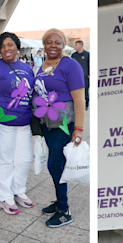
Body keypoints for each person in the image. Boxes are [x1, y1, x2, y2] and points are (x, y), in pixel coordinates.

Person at [0, 32, 36, 214]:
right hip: (1, 124)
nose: (6, 49)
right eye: (2, 46)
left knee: (24, 159)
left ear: (17, 47)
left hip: (24, 123)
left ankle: (19, 191)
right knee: (5, 161)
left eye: (10, 45)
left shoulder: (26, 68)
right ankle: (5, 197)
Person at [33, 29, 85, 228]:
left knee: (55, 164)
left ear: (64, 45)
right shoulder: (44, 64)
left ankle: (64, 211)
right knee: (56, 164)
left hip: (63, 124)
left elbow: (80, 100)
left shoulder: (70, 65)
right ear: (44, 45)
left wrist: (78, 129)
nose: (52, 45)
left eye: (57, 42)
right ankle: (58, 200)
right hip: (48, 123)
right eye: (48, 42)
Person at [70, 40, 90, 109]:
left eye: (76, 45)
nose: (75, 47)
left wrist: (89, 74)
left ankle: (86, 104)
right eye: (75, 45)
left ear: (81, 46)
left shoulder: (87, 54)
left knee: (85, 91)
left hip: (84, 76)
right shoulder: (73, 55)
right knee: (76, 91)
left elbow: (89, 65)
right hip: (75, 76)